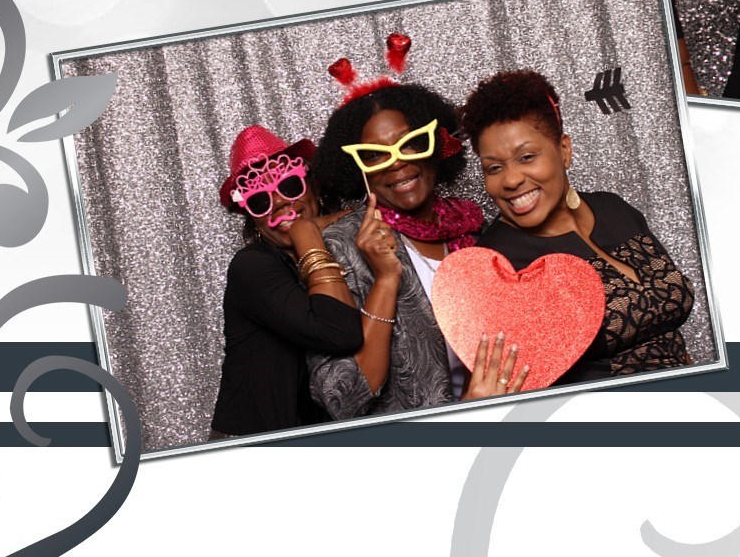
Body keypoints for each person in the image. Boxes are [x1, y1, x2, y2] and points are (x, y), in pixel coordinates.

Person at [306, 62, 527, 416]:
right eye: (374, 154)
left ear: (435, 146)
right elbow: (341, 400)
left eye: (410, 144)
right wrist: (385, 279)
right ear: (358, 170)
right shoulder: (339, 247)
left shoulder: (477, 230)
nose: (396, 163)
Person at [460, 69, 694, 381]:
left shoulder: (613, 209)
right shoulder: (496, 264)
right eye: (494, 168)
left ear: (564, 150)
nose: (511, 180)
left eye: (526, 157)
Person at [210, 124, 370, 437]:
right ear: (253, 218)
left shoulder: (346, 245)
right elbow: (340, 332)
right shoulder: (252, 267)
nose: (281, 203)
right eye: (260, 201)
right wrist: (305, 231)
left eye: (289, 185)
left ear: (314, 187)